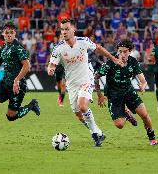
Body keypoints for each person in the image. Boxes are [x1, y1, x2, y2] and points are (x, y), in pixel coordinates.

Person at [47, 19, 123, 147]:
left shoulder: (83, 41)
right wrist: (50, 69)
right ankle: (98, 132)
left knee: (82, 106)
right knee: (78, 114)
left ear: (73, 29)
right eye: (62, 29)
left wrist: (114, 59)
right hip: (72, 84)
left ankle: (95, 135)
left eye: (67, 29)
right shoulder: (58, 48)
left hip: (86, 78)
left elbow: (98, 48)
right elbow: (52, 64)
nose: (64, 32)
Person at [94, 39, 158, 146]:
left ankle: (152, 138)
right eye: (120, 51)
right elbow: (96, 77)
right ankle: (126, 114)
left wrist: (143, 84)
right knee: (119, 125)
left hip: (129, 92)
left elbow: (142, 78)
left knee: (144, 115)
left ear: (130, 51)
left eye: (125, 51)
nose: (122, 54)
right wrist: (99, 94)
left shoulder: (133, 61)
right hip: (114, 95)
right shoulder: (111, 62)